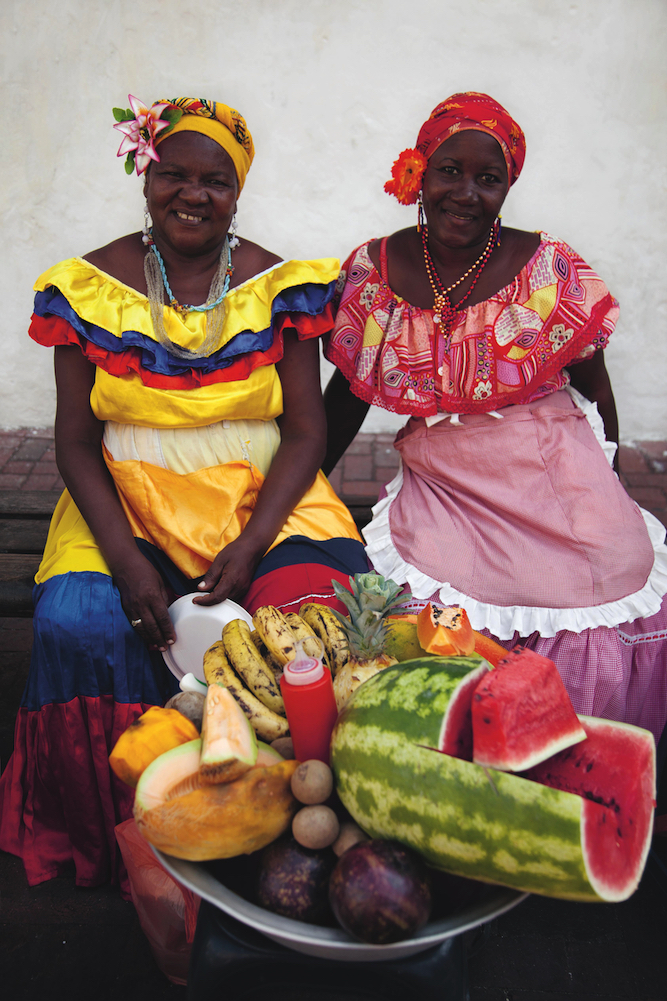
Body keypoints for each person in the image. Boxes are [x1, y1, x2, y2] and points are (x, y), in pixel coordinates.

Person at [0, 95, 368, 890]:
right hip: (124, 491)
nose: (192, 195)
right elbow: (72, 439)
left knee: (319, 616)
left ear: (238, 192)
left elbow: (306, 431)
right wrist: (127, 559)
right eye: (173, 173)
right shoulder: (84, 288)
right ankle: (121, 831)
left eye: (216, 180)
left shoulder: (282, 288)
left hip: (261, 493)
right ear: (145, 173)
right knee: (78, 623)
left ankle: (289, 829)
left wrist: (253, 541)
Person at [323, 92, 667, 745]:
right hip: (448, 470)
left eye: (489, 179)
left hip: (549, 451)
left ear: (507, 187)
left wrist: (612, 477)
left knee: (611, 570)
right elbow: (347, 393)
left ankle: (583, 751)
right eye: (449, 170)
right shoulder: (378, 272)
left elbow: (592, 382)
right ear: (418, 171)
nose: (466, 193)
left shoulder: (548, 269)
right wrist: (296, 488)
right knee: (439, 591)